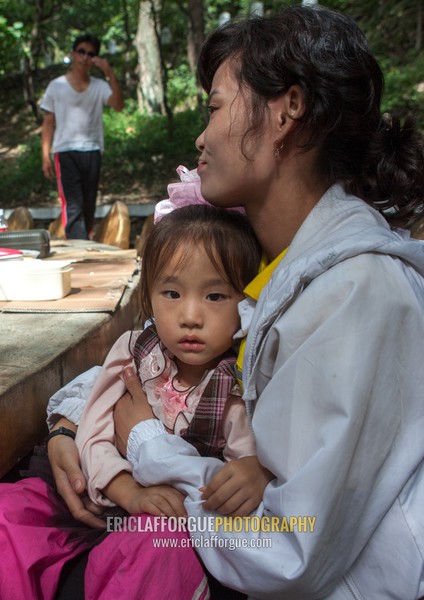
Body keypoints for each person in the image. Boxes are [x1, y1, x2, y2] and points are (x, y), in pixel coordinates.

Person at [12, 4, 424, 599]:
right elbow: (148, 360)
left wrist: (151, 446)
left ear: (287, 111)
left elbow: (288, 550)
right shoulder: (269, 266)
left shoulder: (358, 296)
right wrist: (68, 425)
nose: (201, 137)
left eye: (214, 107)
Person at [0, 204, 269, 600]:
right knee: (10, 511)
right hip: (104, 494)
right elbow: (92, 428)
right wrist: (129, 492)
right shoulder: (134, 352)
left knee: (154, 543)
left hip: (169, 526)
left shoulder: (239, 383)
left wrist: (252, 472)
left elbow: (240, 471)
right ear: (149, 295)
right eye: (172, 293)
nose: (190, 316)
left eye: (215, 295)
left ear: (246, 304)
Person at [41, 34, 124, 240]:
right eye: (81, 52)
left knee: (88, 205)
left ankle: (84, 247)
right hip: (65, 151)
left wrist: (109, 73)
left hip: (92, 150)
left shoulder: (99, 85)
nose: (85, 57)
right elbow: (48, 122)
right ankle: (78, 251)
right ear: (73, 53)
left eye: (91, 54)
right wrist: (45, 155)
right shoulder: (56, 86)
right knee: (73, 205)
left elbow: (118, 104)